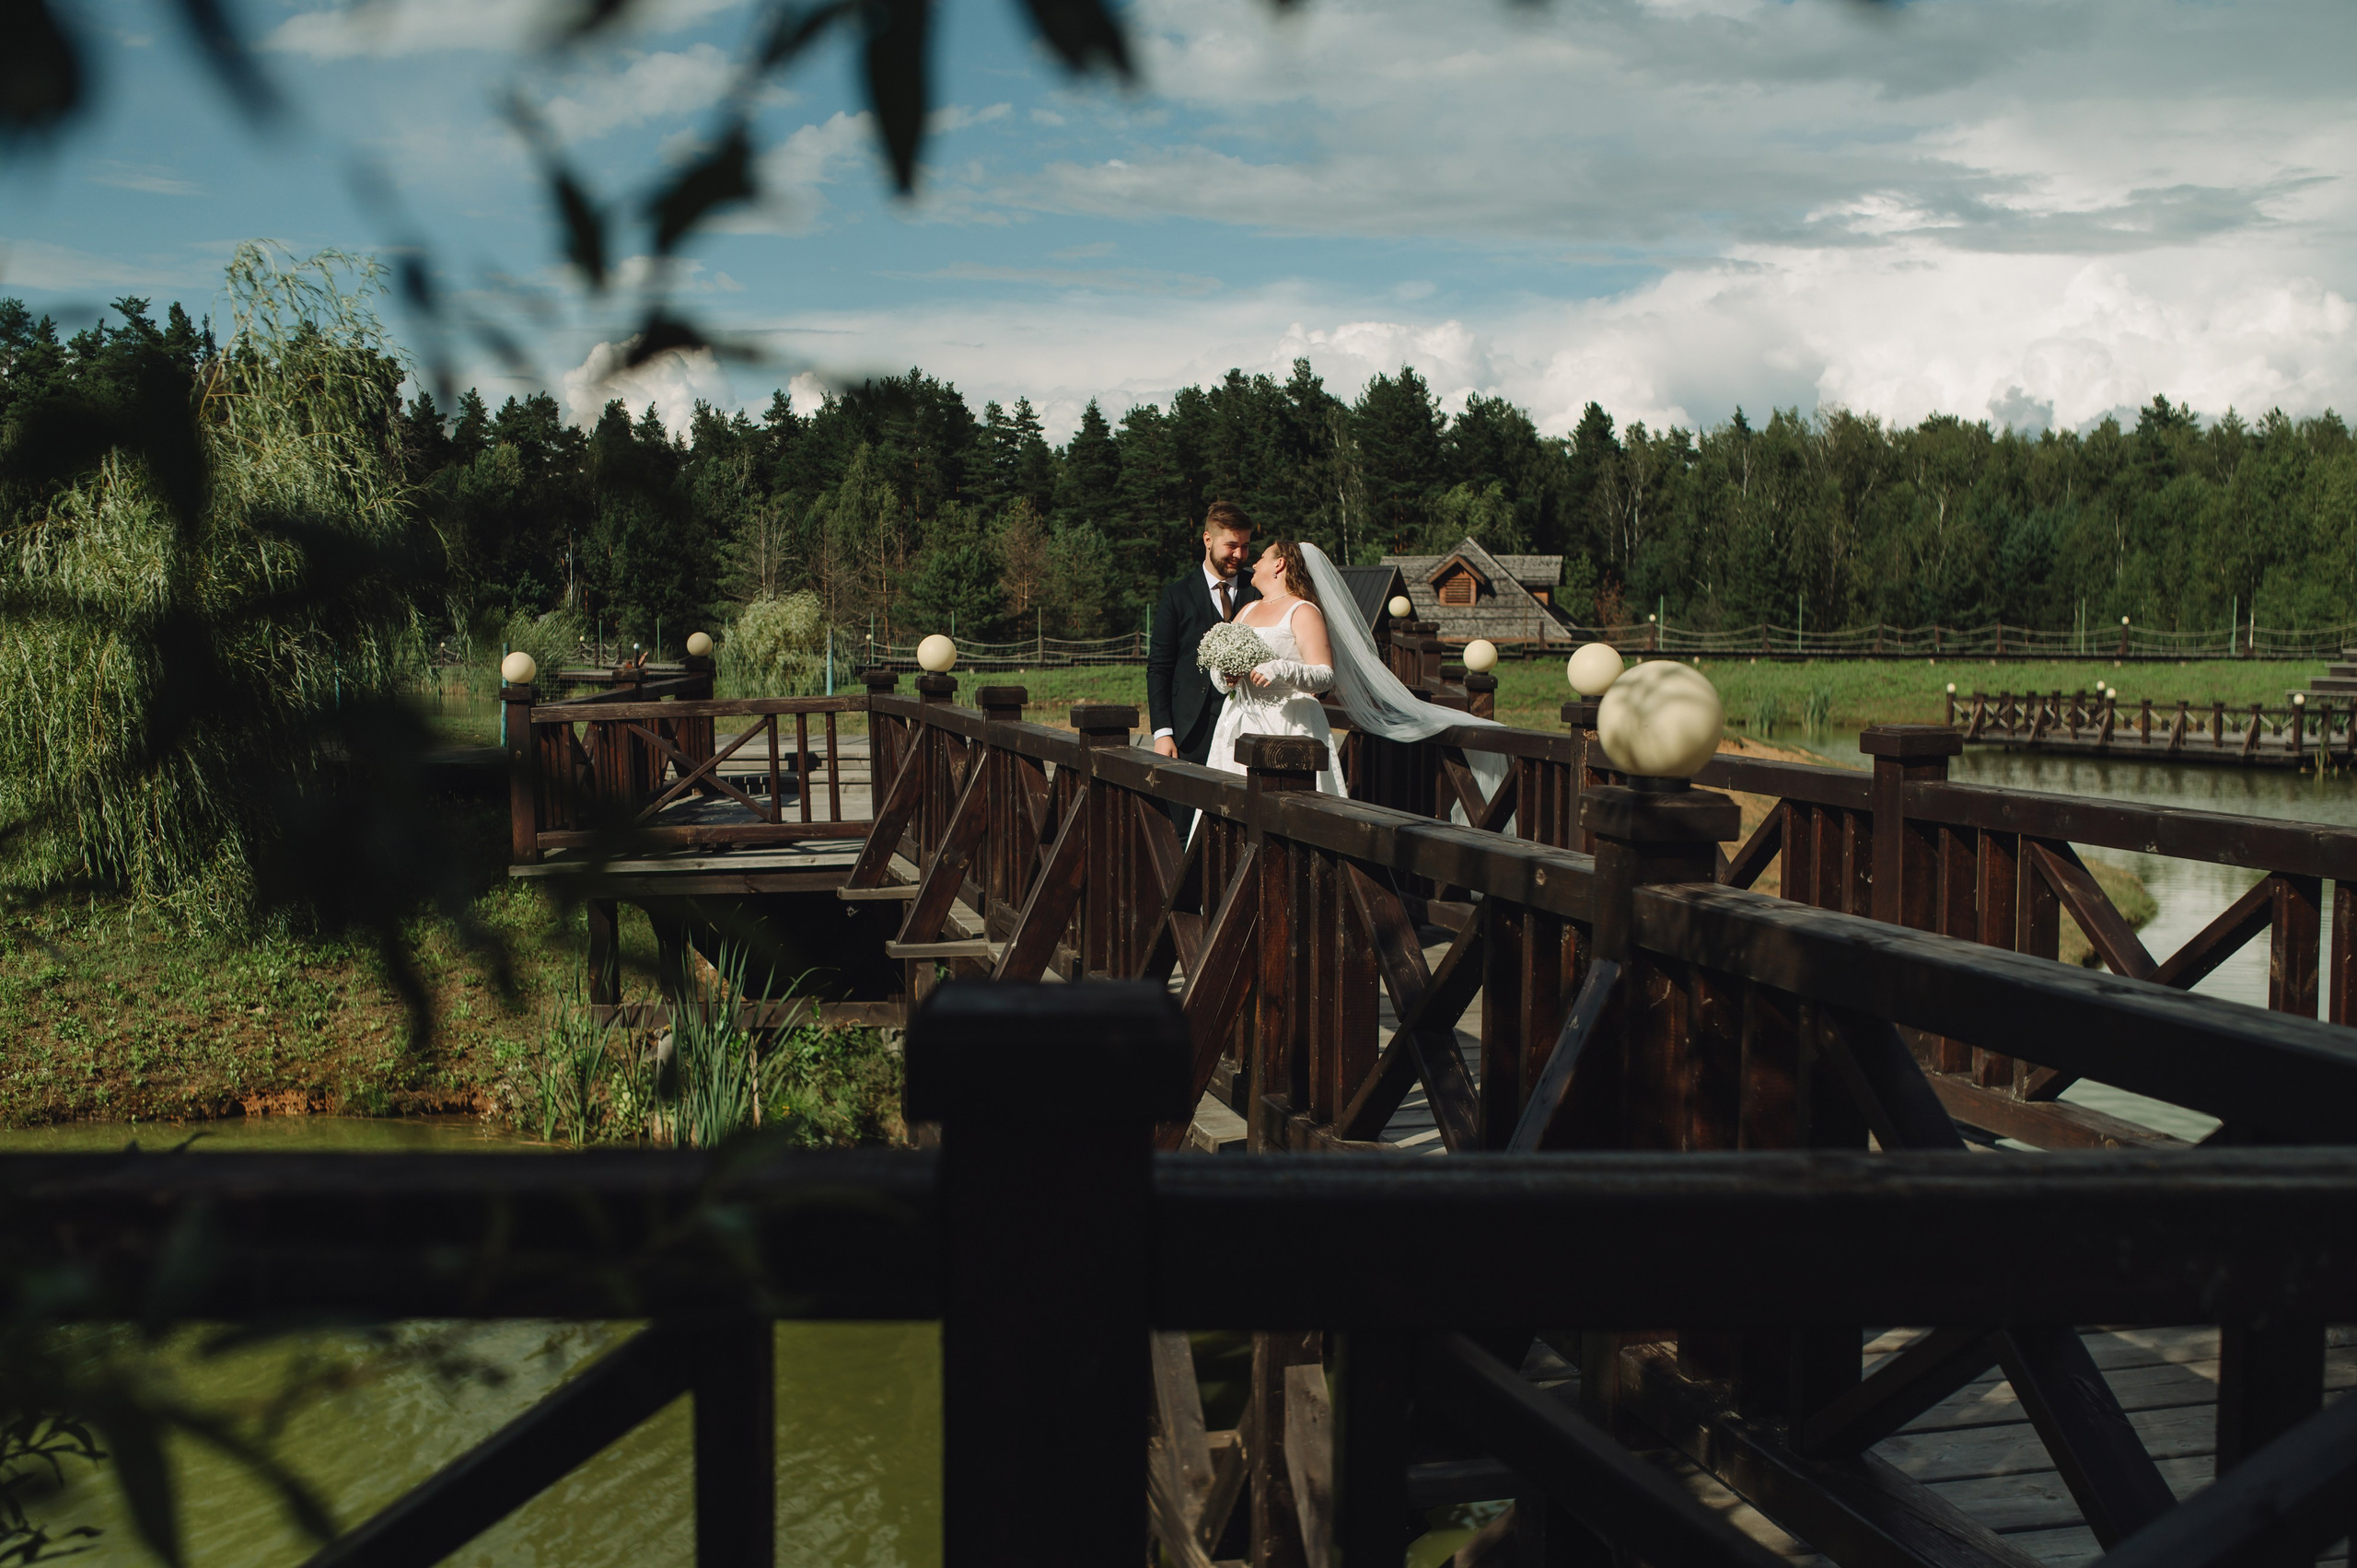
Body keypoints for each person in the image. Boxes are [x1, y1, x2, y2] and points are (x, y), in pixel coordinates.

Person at [1198, 540, 1350, 801]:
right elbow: (1219, 666)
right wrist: (1226, 675)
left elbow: (1324, 676)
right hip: (1238, 723)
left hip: (1288, 725)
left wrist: (1280, 669)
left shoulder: (1302, 610)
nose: (1254, 563)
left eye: (1262, 557)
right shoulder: (1247, 610)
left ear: (1279, 564)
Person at [1146, 502, 1261, 831]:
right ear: (1208, 540)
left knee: (1243, 819)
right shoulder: (1177, 595)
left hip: (1249, 725)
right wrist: (1163, 731)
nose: (1239, 555)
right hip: (1189, 730)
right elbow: (1159, 667)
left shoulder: (1260, 590)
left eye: (1245, 546)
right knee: (1183, 822)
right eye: (1231, 546)